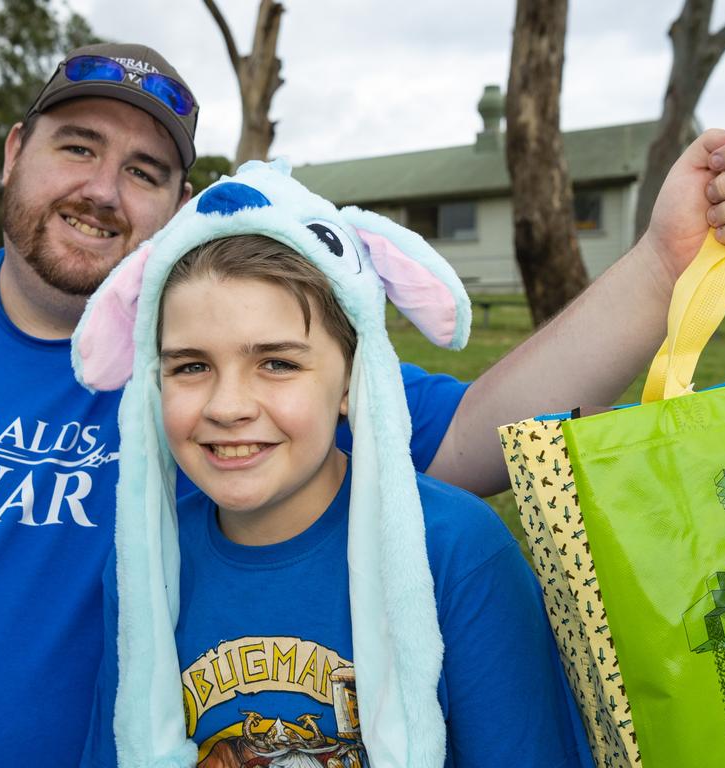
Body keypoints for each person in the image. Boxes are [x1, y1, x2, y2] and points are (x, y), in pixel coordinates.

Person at [0, 39, 725, 766]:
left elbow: (483, 441)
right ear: (15, 150)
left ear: (176, 206)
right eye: (76, 147)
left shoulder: (233, 369)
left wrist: (661, 265)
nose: (103, 190)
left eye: (145, 171)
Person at [73, 160, 593, 767]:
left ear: (351, 381)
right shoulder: (145, 562)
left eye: (278, 363)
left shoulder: (458, 553)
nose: (228, 406)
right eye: (190, 366)